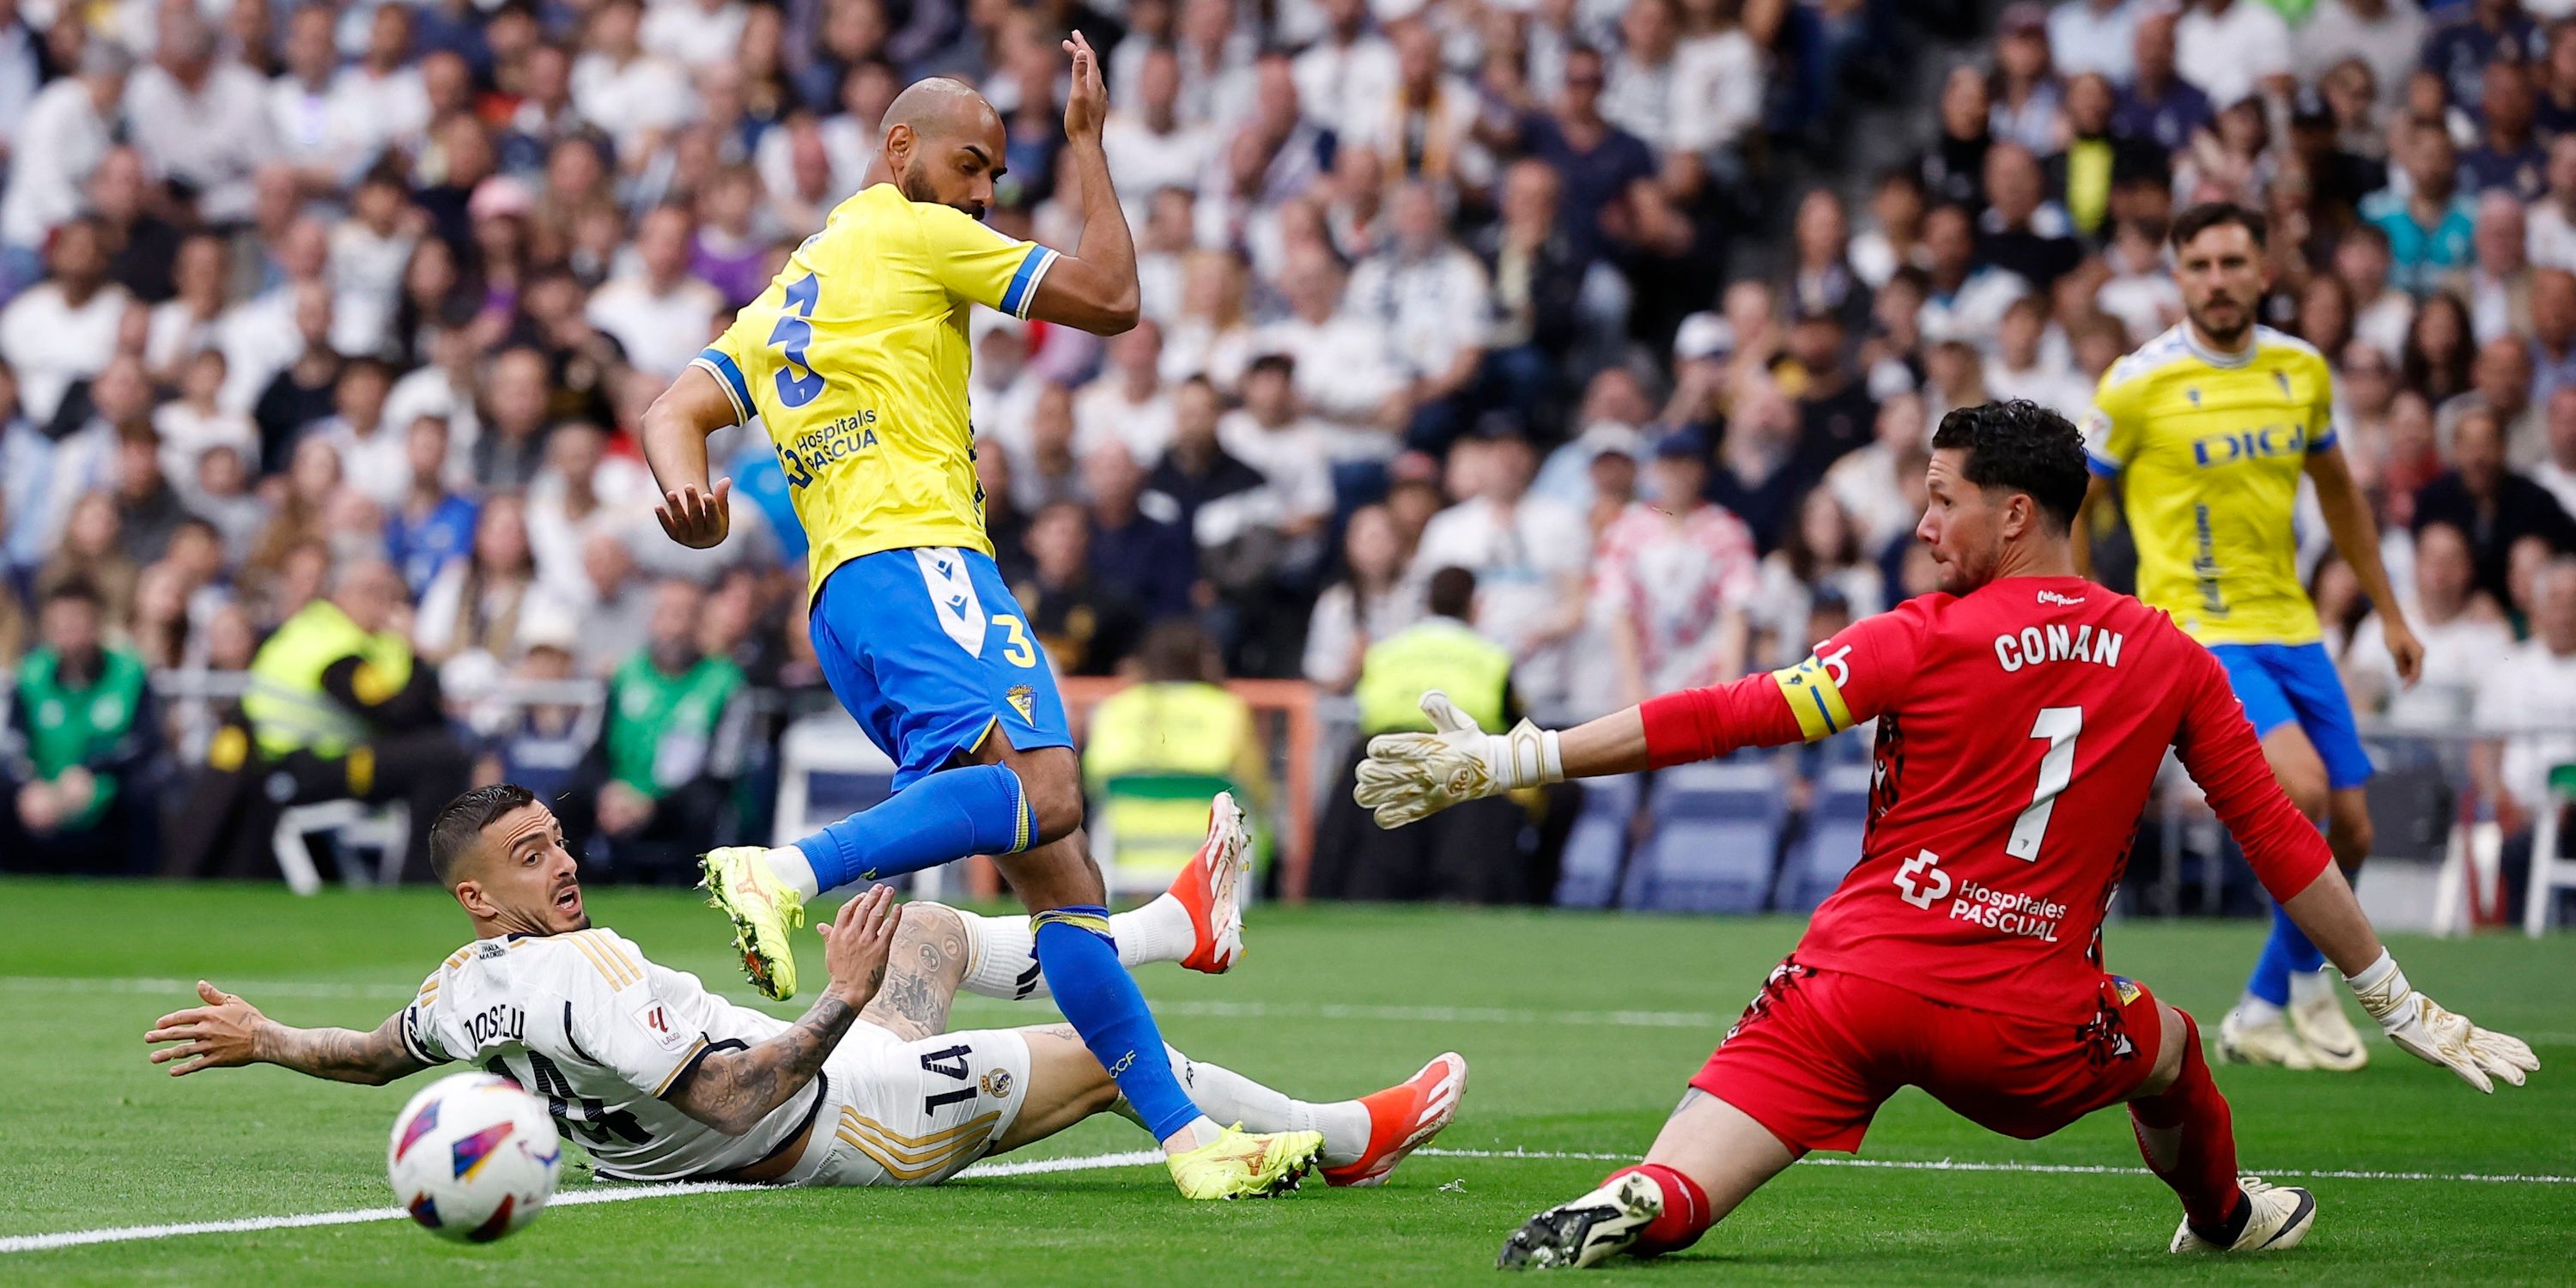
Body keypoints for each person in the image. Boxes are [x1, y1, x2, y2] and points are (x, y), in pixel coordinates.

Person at [1352, 401, 2538, 1269]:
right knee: (2174, 1045)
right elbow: (2283, 839)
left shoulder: (1919, 636)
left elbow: (1737, 713)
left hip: (1848, 985)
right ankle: (2225, 1217)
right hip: (2026, 1022)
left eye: (1941, 499)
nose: (1923, 525)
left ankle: (1639, 1199)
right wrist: (2396, 999)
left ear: (2014, 514)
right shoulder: (2170, 656)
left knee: (1682, 1176)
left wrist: (1525, 751)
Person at [637, 46, 1317, 1200]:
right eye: (971, 165)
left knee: (1063, 876)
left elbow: (674, 408)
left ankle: (1195, 1147)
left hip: (846, 600)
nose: (983, 195)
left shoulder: (800, 277)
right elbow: (1113, 298)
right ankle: (784, 873)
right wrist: (1091, 144)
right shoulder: (911, 232)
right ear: (897, 149)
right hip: (922, 561)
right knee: (1050, 793)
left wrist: (686, 498)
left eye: (998, 175)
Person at [142, 786, 1464, 1195]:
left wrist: (268, 1038)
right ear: (478, 894)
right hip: (829, 1125)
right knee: (1102, 1052)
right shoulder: (585, 976)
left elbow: (377, 1056)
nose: (566, 863)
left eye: (557, 839)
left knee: (930, 931)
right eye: (530, 857)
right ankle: (1353, 1140)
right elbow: (730, 1100)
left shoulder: (463, 983)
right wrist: (833, 1005)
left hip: (781, 1084)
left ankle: (1176, 926)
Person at [2076, 203, 2421, 1073]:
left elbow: (2340, 493)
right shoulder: (2136, 382)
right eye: (2200, 266)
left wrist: (2389, 609)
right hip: (2196, 630)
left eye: (2234, 263)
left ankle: (2269, 998)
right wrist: (2081, 615)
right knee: (2299, 792)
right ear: (2178, 276)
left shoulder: (2299, 369)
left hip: (2292, 627)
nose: (2218, 281)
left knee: (2355, 831)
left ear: (2264, 270)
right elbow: (2075, 501)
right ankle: (2308, 987)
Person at [178, 557, 469, 881]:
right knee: (441, 758)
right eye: (370, 591)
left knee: (439, 754)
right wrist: (415, 654)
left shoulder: (366, 638)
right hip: (302, 765)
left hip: (324, 756)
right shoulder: (329, 640)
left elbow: (418, 713)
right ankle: (421, 878)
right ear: (339, 594)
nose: (383, 603)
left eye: (390, 592)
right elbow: (397, 713)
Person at [1, 578, 161, 873]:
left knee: (144, 791)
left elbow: (145, 741)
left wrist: (92, 771)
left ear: (96, 624)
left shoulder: (129, 673)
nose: (68, 633)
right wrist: (29, 786)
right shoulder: (31, 674)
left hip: (109, 795)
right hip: (44, 794)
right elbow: (14, 743)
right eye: (59, 624)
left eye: (77, 622)